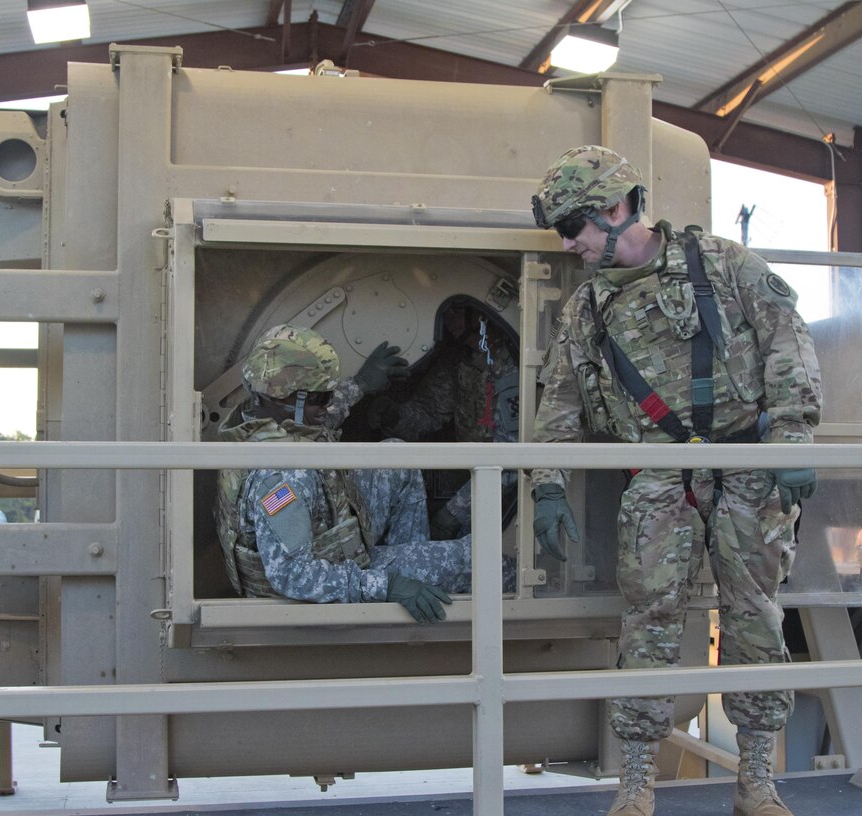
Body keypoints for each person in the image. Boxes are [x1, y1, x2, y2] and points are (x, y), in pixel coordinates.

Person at [530, 145, 822, 816]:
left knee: (755, 622)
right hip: (659, 475)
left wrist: (792, 438)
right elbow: (562, 404)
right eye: (562, 233)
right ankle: (637, 784)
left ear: (616, 208)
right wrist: (546, 484)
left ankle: (757, 781)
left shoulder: (724, 266)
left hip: (749, 469)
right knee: (648, 624)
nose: (569, 244)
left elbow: (788, 340)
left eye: (574, 227)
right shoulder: (587, 310)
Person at [214, 323, 514, 623]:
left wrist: (359, 384)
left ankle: (418, 583)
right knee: (482, 561)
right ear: (282, 398)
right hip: (323, 582)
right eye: (320, 398)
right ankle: (410, 597)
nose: (327, 406)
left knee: (396, 459)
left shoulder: (260, 423)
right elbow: (292, 576)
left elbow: (316, 424)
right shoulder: (283, 479)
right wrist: (385, 586)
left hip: (332, 547)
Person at [368, 302, 519, 540]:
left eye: (458, 312)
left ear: (478, 316)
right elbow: (429, 411)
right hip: (469, 473)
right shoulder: (461, 358)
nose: (450, 320)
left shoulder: (509, 366)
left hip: (501, 487)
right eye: (446, 314)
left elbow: (512, 459)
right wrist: (392, 416)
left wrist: (454, 512)